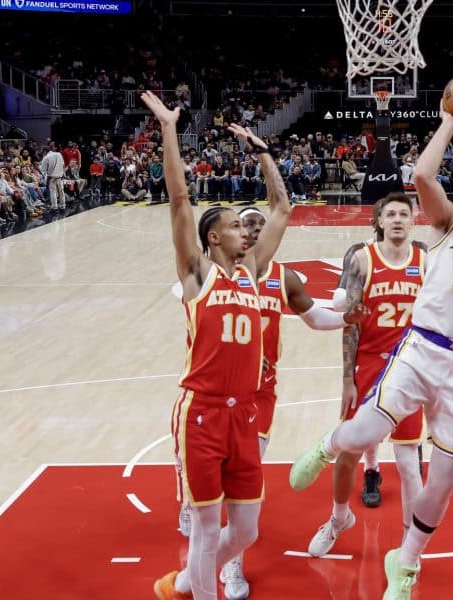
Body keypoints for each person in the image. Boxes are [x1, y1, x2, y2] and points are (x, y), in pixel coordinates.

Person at [289, 73, 453, 599]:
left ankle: (406, 563)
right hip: (421, 350)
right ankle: (327, 447)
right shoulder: (447, 226)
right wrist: (448, 121)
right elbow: (422, 175)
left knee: (441, 481)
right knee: (356, 436)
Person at [140, 90, 293, 600]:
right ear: (212, 239)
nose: (246, 231)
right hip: (201, 415)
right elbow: (180, 198)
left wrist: (263, 151)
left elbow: (281, 208)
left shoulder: (252, 273)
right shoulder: (196, 275)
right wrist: (168, 128)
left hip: (245, 416)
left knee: (245, 530)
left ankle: (186, 581)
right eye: (234, 225)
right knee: (206, 531)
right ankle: (198, 586)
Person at [178, 205, 370, 598]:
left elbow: (317, 318)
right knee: (211, 514)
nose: (250, 232)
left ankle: (220, 557)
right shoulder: (218, 276)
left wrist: (349, 317)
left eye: (256, 226)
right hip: (213, 395)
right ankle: (222, 563)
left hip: (258, 394)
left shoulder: (282, 277)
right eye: (243, 224)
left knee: (243, 495)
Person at [305, 192, 428, 559]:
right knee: (348, 453)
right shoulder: (362, 259)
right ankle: (338, 518)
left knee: (409, 464)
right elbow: (350, 324)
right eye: (389, 214)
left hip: (410, 368)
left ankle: (410, 548)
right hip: (370, 364)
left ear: (412, 220)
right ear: (378, 221)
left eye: (403, 214)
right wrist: (347, 378)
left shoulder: (426, 261)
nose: (396, 220)